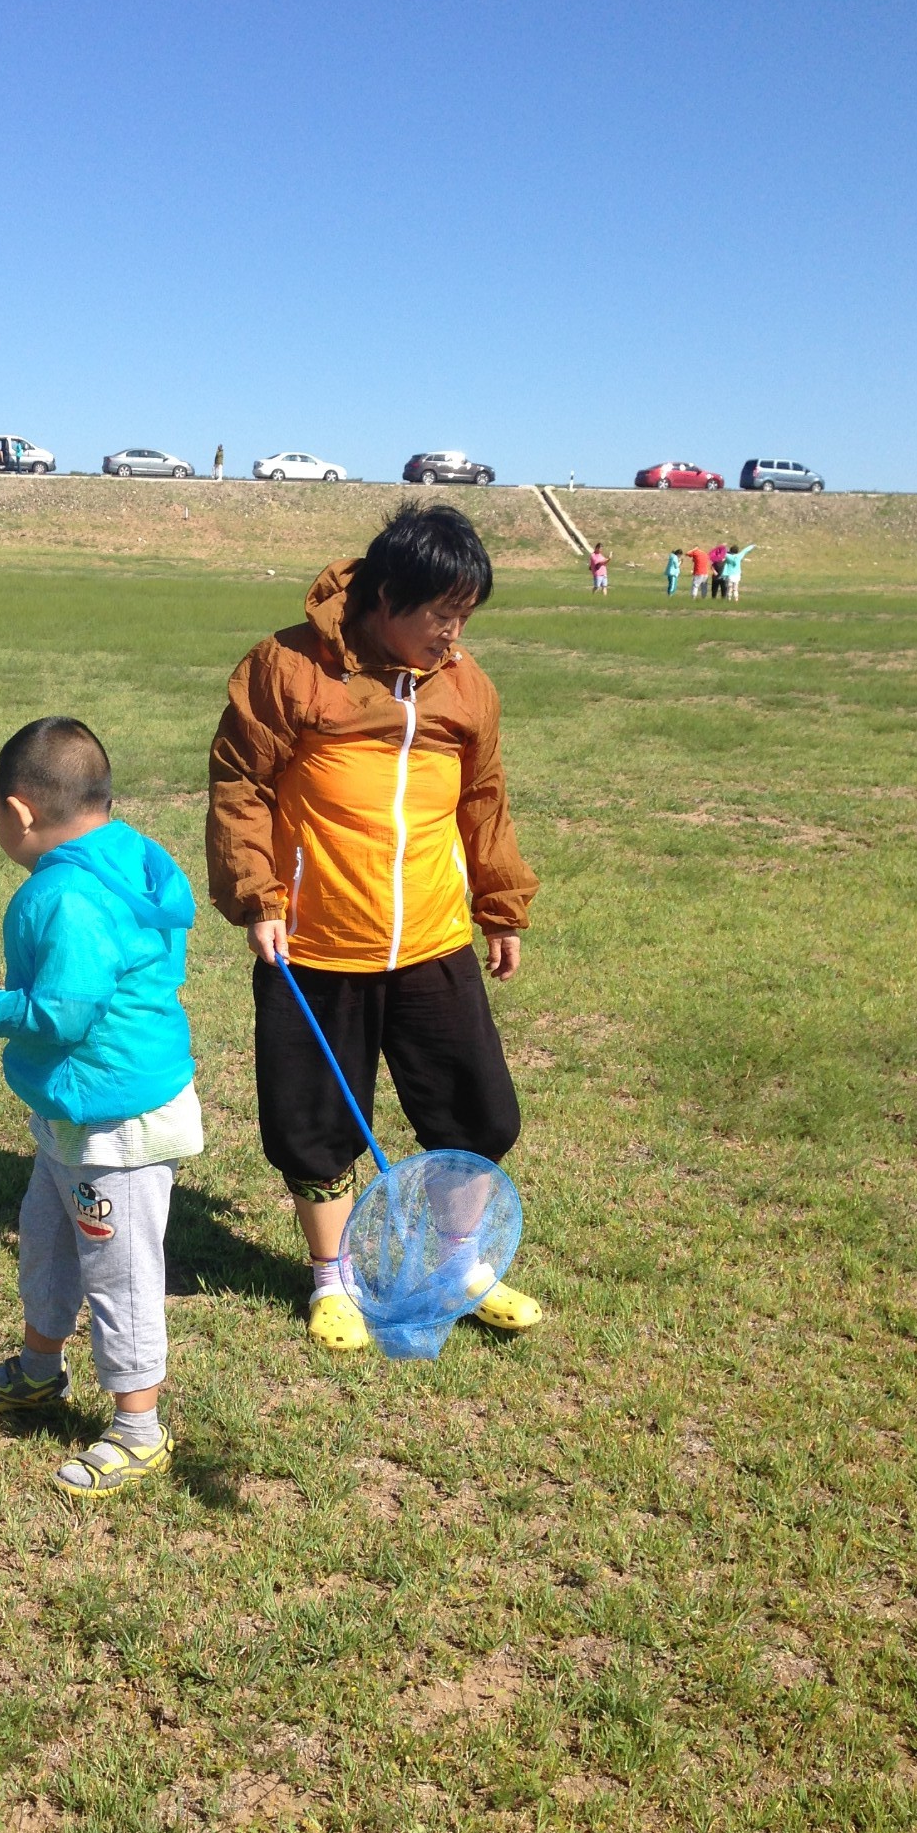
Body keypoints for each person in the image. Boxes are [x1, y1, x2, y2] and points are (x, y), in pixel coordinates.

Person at [206, 502, 542, 1352]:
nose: (454, 635)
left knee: (480, 1112)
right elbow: (239, 785)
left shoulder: (466, 686)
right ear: (386, 597)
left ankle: (462, 1268)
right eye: (440, 615)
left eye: (466, 616)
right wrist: (260, 898)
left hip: (431, 940)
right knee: (313, 1121)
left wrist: (498, 904)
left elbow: (484, 799)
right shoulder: (287, 667)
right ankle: (332, 1282)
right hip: (315, 944)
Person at [0, 718, 200, 1499]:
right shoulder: (128, 856)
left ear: (18, 814)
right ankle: (40, 1371)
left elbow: (66, 1013)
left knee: (120, 1273)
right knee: (47, 1242)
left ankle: (139, 1431)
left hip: (116, 1122)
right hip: (77, 1113)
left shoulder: (67, 896)